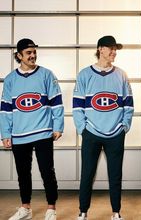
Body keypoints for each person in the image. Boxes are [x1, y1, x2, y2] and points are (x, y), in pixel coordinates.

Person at [0, 38, 64, 220]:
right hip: (19, 134)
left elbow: (57, 103)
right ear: (19, 55)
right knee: (23, 174)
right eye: (28, 53)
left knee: (47, 172)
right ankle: (25, 208)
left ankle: (51, 208)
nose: (33, 55)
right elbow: (5, 109)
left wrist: (58, 126)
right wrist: (5, 133)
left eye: (34, 52)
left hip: (43, 132)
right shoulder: (11, 79)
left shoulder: (46, 75)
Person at [72, 35, 134, 220]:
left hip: (115, 133)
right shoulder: (84, 74)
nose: (114, 52)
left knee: (115, 175)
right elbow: (77, 106)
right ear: (100, 49)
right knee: (87, 174)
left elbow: (129, 104)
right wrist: (82, 128)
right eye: (111, 48)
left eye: (116, 49)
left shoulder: (121, 74)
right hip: (91, 132)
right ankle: (83, 212)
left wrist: (125, 125)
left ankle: (116, 213)